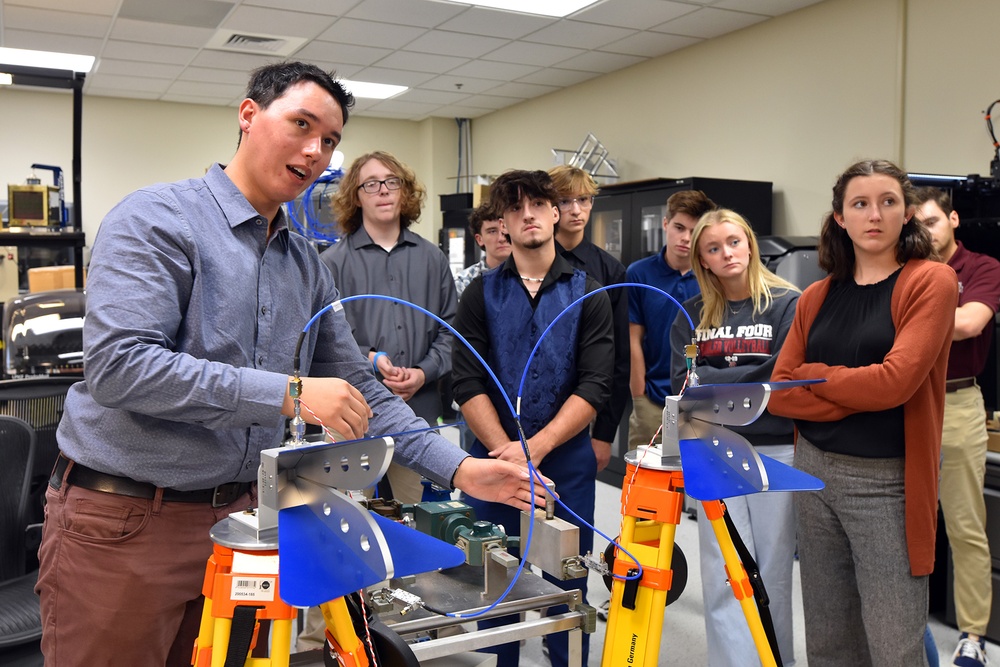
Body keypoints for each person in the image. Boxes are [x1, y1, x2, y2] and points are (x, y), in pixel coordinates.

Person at [35, 62, 548, 667]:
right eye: (301, 124)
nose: (315, 151)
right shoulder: (157, 220)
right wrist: (291, 391)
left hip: (242, 525)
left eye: (329, 140)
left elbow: (362, 390)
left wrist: (461, 469)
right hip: (125, 523)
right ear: (249, 116)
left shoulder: (305, 264)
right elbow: (121, 366)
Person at [769, 159, 958, 666]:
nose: (874, 214)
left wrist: (821, 376)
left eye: (888, 202)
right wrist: (857, 386)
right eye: (860, 204)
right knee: (829, 638)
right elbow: (781, 391)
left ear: (907, 213)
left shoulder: (930, 282)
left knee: (894, 642)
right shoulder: (815, 296)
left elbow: (894, 383)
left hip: (887, 483)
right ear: (840, 218)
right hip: (813, 473)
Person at [451, 169, 614, 667]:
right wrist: (507, 453)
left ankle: (567, 658)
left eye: (539, 205)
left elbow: (594, 385)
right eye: (515, 209)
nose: (529, 216)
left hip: (564, 462)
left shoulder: (589, 291)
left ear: (554, 212)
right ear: (501, 223)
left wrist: (534, 449)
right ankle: (503, 659)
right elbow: (467, 382)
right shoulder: (480, 294)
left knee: (568, 574)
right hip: (493, 463)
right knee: (497, 572)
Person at [669, 208, 800, 667]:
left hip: (775, 448)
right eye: (713, 248)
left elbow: (782, 378)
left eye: (734, 242)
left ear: (749, 244)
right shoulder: (692, 316)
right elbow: (683, 385)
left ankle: (773, 659)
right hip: (713, 451)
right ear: (702, 259)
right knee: (724, 570)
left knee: (772, 570)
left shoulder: (788, 304)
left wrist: (716, 381)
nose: (726, 253)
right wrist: (746, 384)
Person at [321, 151, 458, 504]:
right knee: (349, 513)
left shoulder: (432, 258)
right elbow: (325, 341)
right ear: (356, 196)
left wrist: (423, 373)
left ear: (404, 192)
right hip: (353, 412)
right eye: (371, 184)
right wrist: (370, 359)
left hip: (419, 410)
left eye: (391, 182)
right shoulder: (331, 263)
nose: (383, 190)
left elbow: (451, 329)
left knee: (417, 514)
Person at [915, 186, 1000, 667]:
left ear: (953, 219)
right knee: (902, 524)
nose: (925, 232)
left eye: (932, 222)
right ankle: (907, 621)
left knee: (966, 526)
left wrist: (908, 317)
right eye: (917, 225)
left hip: (957, 401)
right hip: (905, 400)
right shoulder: (907, 268)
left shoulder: (982, 268)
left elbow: (969, 323)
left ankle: (973, 636)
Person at [549, 164, 629, 472]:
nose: (576, 210)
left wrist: (605, 434)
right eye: (565, 200)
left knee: (574, 513)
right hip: (531, 405)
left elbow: (619, 358)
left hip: (586, 404)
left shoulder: (610, 270)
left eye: (583, 200)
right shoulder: (531, 261)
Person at [627, 189, 717, 447]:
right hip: (652, 398)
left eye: (694, 230)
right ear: (665, 224)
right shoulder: (639, 273)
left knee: (695, 479)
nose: (685, 238)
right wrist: (639, 394)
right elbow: (634, 338)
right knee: (646, 479)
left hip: (702, 400)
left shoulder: (712, 276)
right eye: (679, 227)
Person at [454, 203, 510, 298]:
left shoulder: (532, 277)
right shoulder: (463, 282)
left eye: (505, 228)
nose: (502, 238)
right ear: (480, 239)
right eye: (492, 231)